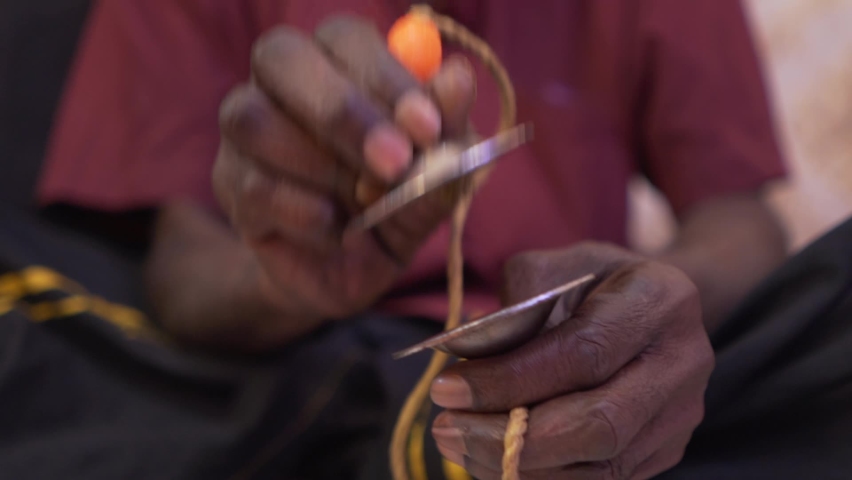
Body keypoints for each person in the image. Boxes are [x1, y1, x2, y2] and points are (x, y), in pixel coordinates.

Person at [28, 0, 793, 478]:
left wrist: (655, 307)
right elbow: (180, 264)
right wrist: (283, 282)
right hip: (288, 368)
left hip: (569, 380)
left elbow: (741, 222)